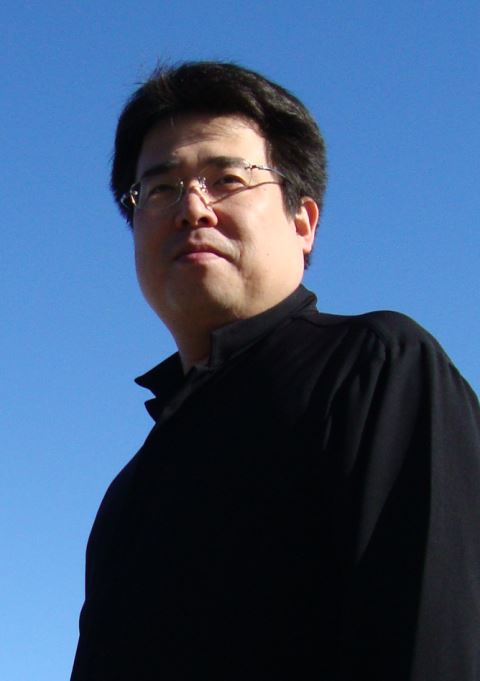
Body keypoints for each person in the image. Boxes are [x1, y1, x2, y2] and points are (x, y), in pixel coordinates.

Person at [71, 61, 480, 681]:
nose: (192, 208)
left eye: (227, 179)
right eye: (159, 189)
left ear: (303, 221)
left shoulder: (374, 369)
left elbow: (434, 641)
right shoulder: (129, 492)